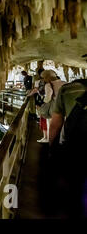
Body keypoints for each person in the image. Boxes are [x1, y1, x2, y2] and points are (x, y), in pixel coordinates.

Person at [49, 79, 87, 218]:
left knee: (76, 185)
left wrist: (52, 148)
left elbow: (55, 124)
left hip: (76, 145)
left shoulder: (68, 89)